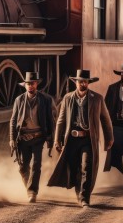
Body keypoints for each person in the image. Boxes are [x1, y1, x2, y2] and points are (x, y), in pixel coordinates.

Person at [47, 69, 113, 208]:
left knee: (86, 167)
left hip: (88, 140)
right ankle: (79, 192)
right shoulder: (68, 98)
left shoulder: (97, 98)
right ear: (75, 83)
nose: (82, 83)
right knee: (75, 168)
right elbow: (61, 120)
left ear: (88, 83)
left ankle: (84, 198)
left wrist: (109, 138)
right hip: (71, 140)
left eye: (85, 81)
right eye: (80, 81)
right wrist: (57, 140)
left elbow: (105, 119)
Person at [9, 71, 55, 203]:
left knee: (36, 165)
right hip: (22, 138)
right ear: (25, 85)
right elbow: (13, 121)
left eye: (33, 83)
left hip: (38, 137)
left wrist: (51, 138)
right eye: (28, 84)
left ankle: (32, 192)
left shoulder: (45, 99)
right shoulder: (19, 100)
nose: (31, 86)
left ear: (37, 84)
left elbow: (50, 120)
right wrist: (12, 139)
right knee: (23, 167)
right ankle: (29, 188)